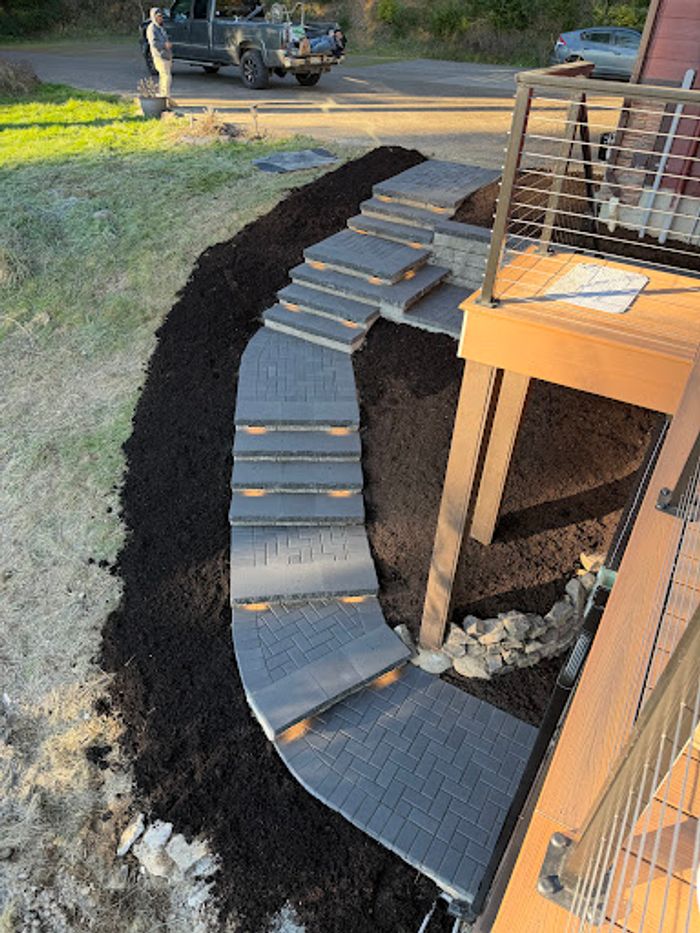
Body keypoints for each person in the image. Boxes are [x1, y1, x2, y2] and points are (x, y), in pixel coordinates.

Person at [146, 8, 173, 103]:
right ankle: (165, 98)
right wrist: (164, 45)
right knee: (166, 77)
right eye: (158, 16)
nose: (160, 18)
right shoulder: (152, 28)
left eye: (161, 16)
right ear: (154, 17)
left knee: (165, 77)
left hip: (166, 55)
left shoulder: (161, 28)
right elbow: (153, 43)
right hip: (159, 56)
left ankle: (164, 97)